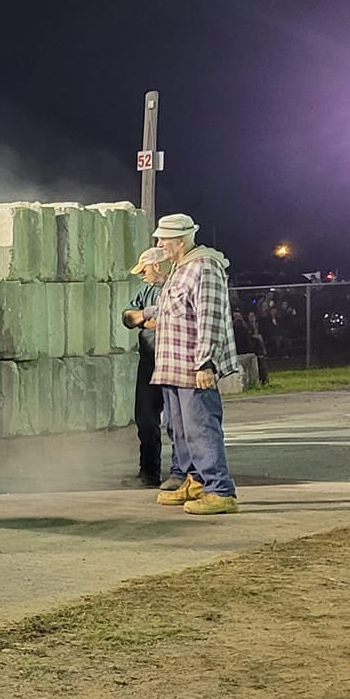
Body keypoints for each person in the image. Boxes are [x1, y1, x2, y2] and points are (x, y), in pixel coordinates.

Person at [149, 213, 241, 515]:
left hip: (192, 368)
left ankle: (220, 490)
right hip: (172, 367)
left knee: (201, 428)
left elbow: (210, 318)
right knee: (181, 430)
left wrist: (205, 364)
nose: (159, 243)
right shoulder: (179, 269)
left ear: (182, 240)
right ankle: (196, 481)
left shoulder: (204, 267)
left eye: (164, 239)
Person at [120, 247, 171, 489]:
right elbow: (128, 317)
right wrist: (144, 315)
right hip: (149, 364)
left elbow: (168, 323)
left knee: (178, 423)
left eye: (145, 270)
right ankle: (149, 472)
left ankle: (187, 474)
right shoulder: (147, 291)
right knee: (146, 419)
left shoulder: (175, 287)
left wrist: (149, 320)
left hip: (174, 363)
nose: (143, 275)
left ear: (157, 266)